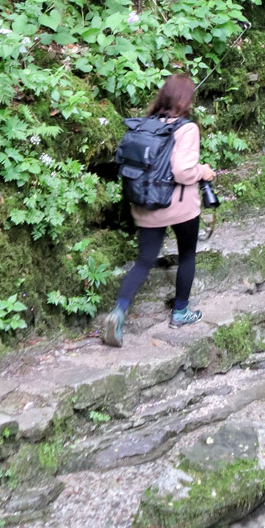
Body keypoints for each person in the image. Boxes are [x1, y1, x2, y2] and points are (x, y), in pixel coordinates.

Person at [102, 71, 215, 346]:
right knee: (187, 255)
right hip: (180, 206)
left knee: (144, 261)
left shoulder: (143, 125)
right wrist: (204, 171)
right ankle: (180, 312)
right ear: (186, 101)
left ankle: (119, 311)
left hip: (145, 204)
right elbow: (183, 171)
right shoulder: (187, 128)